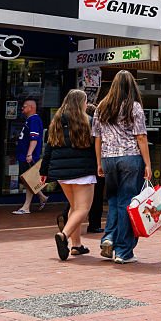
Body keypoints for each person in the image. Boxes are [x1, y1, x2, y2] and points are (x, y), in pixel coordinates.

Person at [93, 70, 152, 264]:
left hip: (108, 158)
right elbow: (141, 137)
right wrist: (148, 164)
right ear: (131, 86)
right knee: (127, 202)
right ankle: (123, 251)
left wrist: (99, 162)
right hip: (130, 158)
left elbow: (98, 138)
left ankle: (108, 237)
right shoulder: (134, 107)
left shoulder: (101, 107)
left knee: (113, 200)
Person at [40, 89, 98, 260]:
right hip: (83, 171)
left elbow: (49, 148)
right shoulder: (88, 121)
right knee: (83, 209)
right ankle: (63, 235)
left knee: (74, 207)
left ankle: (76, 245)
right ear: (81, 103)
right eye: (85, 101)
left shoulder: (56, 121)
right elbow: (96, 146)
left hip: (62, 173)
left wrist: (44, 171)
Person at [57, 103, 105, 234]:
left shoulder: (70, 126)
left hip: (69, 169)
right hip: (91, 166)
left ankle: (67, 219)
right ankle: (92, 225)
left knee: (75, 201)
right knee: (91, 200)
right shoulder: (92, 127)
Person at [13, 98, 49, 214]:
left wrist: (29, 154)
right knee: (27, 179)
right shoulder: (30, 120)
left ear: (31, 107)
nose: (22, 109)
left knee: (28, 180)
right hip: (24, 155)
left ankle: (26, 206)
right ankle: (42, 197)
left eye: (24, 107)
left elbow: (34, 139)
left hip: (28, 156)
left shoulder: (34, 120)